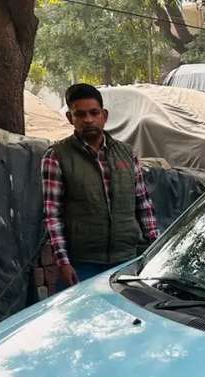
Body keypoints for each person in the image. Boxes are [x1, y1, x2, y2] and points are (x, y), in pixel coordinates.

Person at [41, 83, 159, 287]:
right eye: (80, 114)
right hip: (82, 263)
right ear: (71, 118)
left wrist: (155, 247)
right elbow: (53, 216)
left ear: (104, 115)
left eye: (94, 113)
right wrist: (63, 262)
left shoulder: (126, 154)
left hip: (126, 260)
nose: (88, 120)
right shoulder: (57, 157)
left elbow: (143, 204)